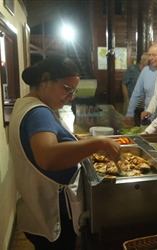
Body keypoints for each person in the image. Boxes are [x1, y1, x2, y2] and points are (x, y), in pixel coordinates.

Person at [8, 55, 120, 250]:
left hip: (36, 206)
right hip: (52, 209)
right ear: (45, 80)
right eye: (67, 89)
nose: (71, 96)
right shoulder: (38, 113)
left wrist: (77, 143)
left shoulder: (24, 104)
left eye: (74, 91)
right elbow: (47, 157)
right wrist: (97, 142)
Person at [124, 43, 157, 127]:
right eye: (149, 55)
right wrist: (129, 113)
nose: (150, 58)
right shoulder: (146, 70)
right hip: (148, 117)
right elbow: (136, 93)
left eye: (154, 55)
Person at [122, 52, 149, 125]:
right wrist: (127, 99)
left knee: (141, 123)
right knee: (129, 122)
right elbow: (124, 84)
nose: (150, 62)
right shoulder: (132, 69)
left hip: (143, 104)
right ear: (143, 61)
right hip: (131, 100)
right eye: (148, 60)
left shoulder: (149, 71)